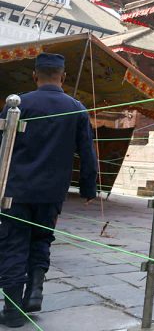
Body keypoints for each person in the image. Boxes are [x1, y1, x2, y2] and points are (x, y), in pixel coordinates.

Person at [0, 53, 98, 327]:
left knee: (13, 243)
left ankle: (12, 311)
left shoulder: (18, 104)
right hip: (52, 192)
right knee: (42, 239)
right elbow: (87, 153)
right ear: (63, 77)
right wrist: (89, 188)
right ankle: (34, 293)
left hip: (15, 190)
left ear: (35, 75)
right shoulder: (77, 108)